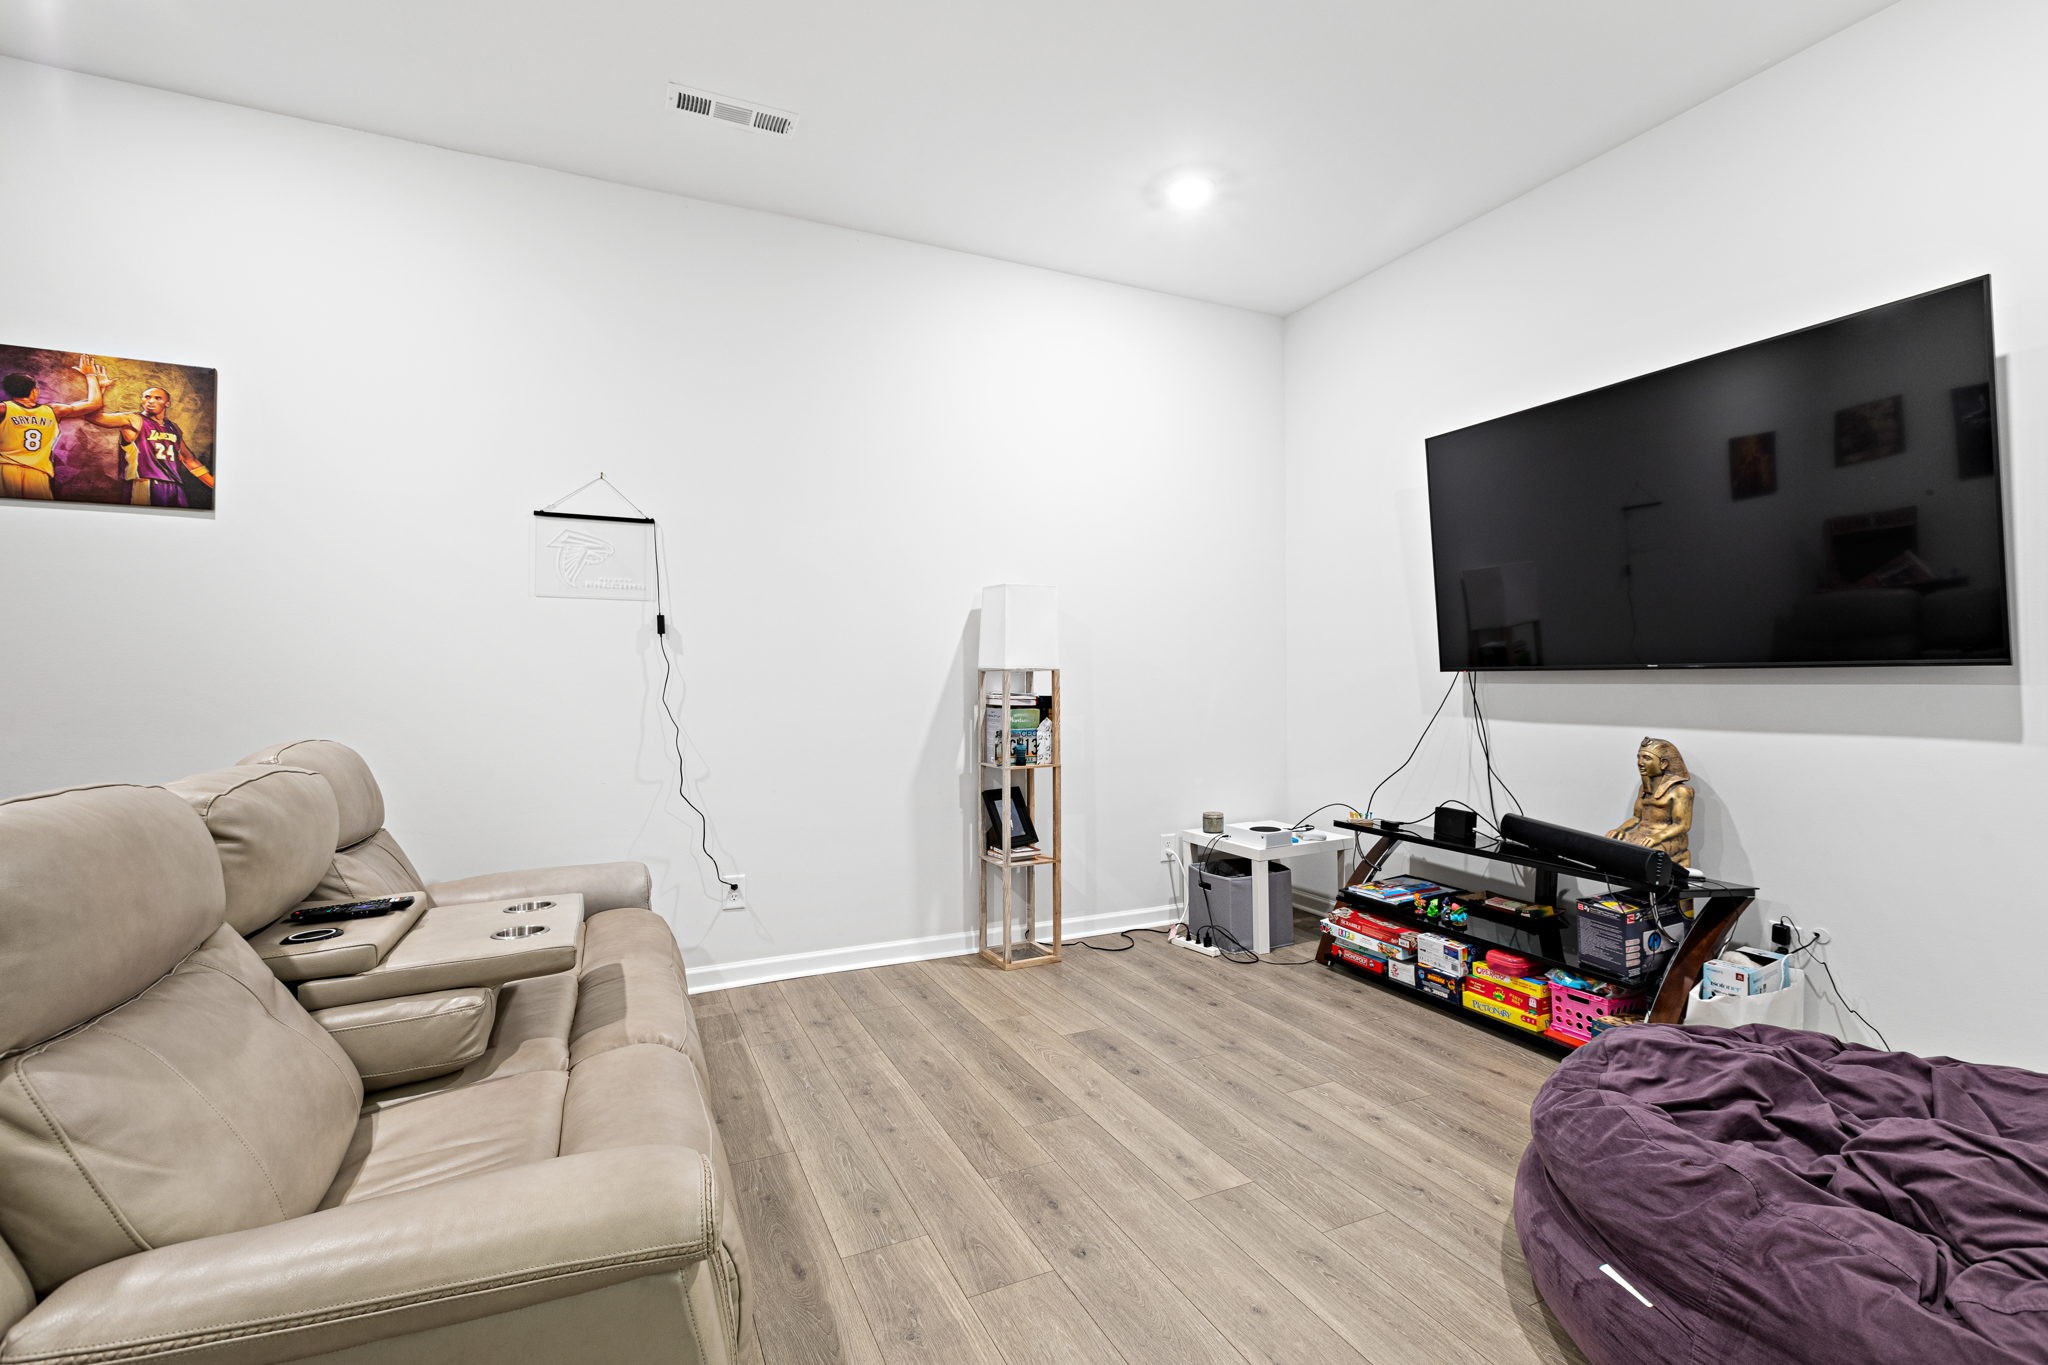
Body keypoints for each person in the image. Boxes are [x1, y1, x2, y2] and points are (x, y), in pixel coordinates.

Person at [91, 382, 214, 507]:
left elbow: (190, 460)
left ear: (167, 403)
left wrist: (216, 487)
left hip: (174, 484)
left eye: (157, 398)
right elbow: (96, 417)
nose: (150, 401)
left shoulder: (173, 427)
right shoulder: (133, 420)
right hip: (145, 483)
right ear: (142, 401)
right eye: (147, 397)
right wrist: (100, 388)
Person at [0, 357, 105, 500]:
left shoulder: (3, 408)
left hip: (6, 469)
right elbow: (94, 403)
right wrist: (90, 375)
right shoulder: (54, 410)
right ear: (34, 391)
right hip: (38, 472)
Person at [1606, 736, 1694, 867]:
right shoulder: (1644, 788)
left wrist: (1656, 837)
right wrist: (1619, 830)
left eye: (1646, 758)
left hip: (1666, 839)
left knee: (1645, 853)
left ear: (1663, 763)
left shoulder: (1681, 791)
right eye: (1639, 757)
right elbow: (1636, 818)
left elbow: (1682, 825)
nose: (1640, 763)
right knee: (1612, 845)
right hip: (1642, 835)